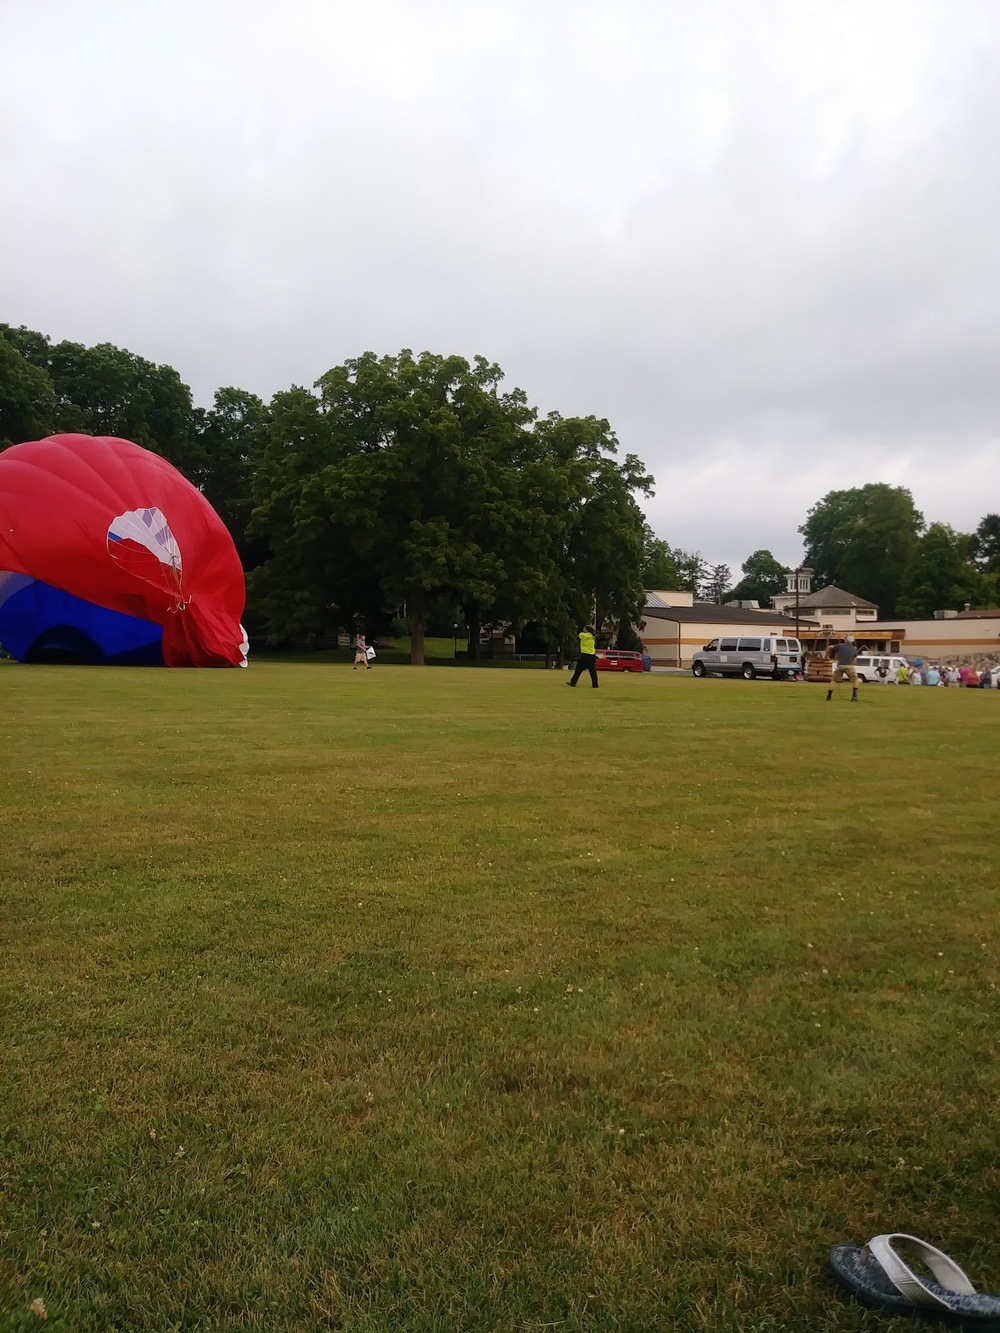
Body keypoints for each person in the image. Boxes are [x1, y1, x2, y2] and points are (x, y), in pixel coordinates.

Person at [826, 635, 859, 702]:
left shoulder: (840, 645)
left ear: (846, 640)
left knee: (834, 680)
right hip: (849, 666)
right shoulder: (854, 648)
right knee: (855, 680)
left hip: (840, 665)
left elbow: (829, 647)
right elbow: (855, 661)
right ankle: (854, 697)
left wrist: (826, 657)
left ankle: (829, 696)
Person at [568, 623, 599, 688]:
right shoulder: (593, 636)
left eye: (584, 628)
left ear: (586, 630)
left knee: (578, 670)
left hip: (585, 655)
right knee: (592, 671)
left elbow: (579, 635)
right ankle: (595, 684)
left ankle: (573, 682)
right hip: (592, 655)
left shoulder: (582, 635)